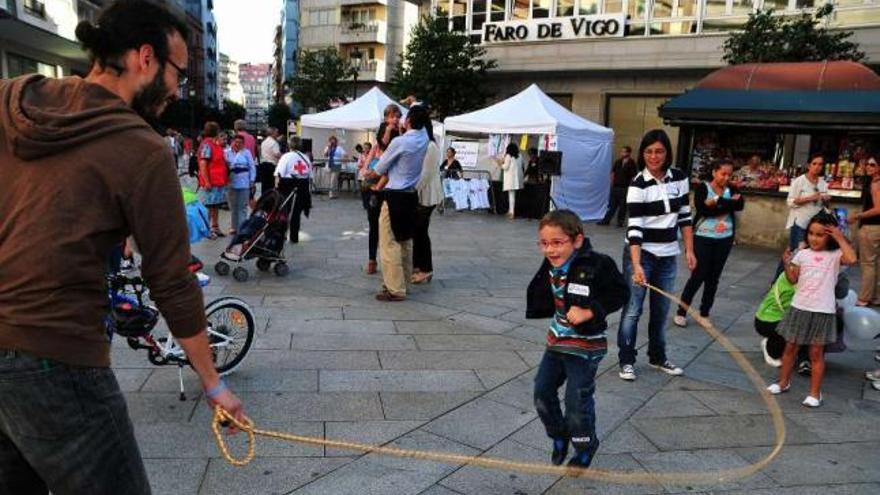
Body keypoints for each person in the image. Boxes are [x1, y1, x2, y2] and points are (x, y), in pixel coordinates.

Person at [0, 2, 245, 493]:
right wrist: (213, 383)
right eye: (179, 72)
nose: (178, 89)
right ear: (145, 58)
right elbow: (172, 278)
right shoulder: (141, 147)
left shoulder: (11, 100)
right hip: (54, 351)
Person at [526, 210, 629, 468]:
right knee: (542, 393)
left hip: (586, 345)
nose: (550, 250)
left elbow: (620, 293)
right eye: (544, 243)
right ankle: (558, 434)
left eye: (557, 242)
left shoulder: (598, 264)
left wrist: (590, 310)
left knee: (576, 400)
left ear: (578, 241)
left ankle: (584, 445)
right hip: (557, 341)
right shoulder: (553, 262)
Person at [617, 129, 696, 382]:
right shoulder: (637, 184)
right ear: (643, 154)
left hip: (667, 255)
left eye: (659, 151)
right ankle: (626, 360)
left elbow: (684, 216)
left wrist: (690, 250)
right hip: (640, 254)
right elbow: (635, 228)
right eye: (649, 151)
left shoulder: (679, 178)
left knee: (661, 310)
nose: (654, 156)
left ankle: (657, 356)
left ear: (667, 153)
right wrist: (637, 265)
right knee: (632, 310)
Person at [768, 212, 857, 407]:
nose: (814, 238)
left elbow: (852, 259)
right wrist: (786, 263)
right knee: (790, 347)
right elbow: (793, 279)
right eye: (811, 233)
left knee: (816, 354)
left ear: (830, 236)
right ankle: (783, 382)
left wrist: (839, 236)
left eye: (820, 234)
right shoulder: (803, 254)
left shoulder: (835, 255)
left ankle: (815, 394)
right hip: (799, 307)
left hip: (822, 311)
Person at [364, 105, 430, 302]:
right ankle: (404, 283)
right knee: (405, 241)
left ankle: (394, 288)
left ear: (408, 121)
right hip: (411, 195)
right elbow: (421, 119)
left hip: (394, 195)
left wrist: (369, 177)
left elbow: (381, 168)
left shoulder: (400, 142)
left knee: (389, 242)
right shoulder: (424, 139)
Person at [673, 159, 744, 327]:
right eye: (723, 174)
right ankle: (681, 311)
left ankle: (704, 313)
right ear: (714, 172)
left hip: (724, 239)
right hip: (703, 237)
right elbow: (703, 209)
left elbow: (739, 205)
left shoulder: (732, 188)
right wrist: (727, 203)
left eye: (729, 174)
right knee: (698, 274)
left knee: (714, 277)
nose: (726, 178)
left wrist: (717, 202)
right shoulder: (702, 188)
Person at [361, 105, 402, 275]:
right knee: (373, 225)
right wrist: (389, 128)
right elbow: (382, 143)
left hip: (388, 186)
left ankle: (389, 262)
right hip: (374, 187)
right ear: (386, 118)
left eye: (397, 116)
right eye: (393, 116)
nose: (396, 119)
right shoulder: (380, 141)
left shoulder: (400, 137)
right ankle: (372, 260)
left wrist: (398, 129)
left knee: (389, 227)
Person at [778, 154, 830, 276]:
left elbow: (823, 204)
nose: (817, 167)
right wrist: (809, 198)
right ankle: (781, 279)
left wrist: (826, 199)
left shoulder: (823, 183)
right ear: (809, 165)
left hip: (814, 224)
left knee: (798, 251)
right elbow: (790, 201)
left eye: (820, 164)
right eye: (814, 164)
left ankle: (788, 278)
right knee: (796, 252)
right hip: (800, 221)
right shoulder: (799, 181)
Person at [413, 128, 443, 284]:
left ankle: (425, 268)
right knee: (418, 231)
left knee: (421, 232)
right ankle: (419, 266)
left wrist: (412, 188)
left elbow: (426, 173)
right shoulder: (426, 145)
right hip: (422, 194)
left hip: (428, 195)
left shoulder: (431, 146)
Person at [849, 157, 880, 306]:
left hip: (871, 228)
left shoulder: (875, 183)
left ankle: (864, 298)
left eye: (873, 164)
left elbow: (878, 209)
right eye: (867, 164)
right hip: (877, 228)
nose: (868, 167)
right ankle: (875, 296)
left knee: (868, 264)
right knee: (876, 263)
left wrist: (857, 216)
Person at [274, 137, 313, 243]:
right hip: (303, 187)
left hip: (288, 186)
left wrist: (276, 188)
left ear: (289, 145)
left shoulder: (286, 156)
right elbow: (310, 175)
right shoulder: (305, 157)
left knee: (284, 211)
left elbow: (279, 173)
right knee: (296, 213)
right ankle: (294, 237)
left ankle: (281, 235)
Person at [197, 121, 229, 239]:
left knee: (215, 205)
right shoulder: (207, 145)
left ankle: (215, 227)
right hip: (212, 182)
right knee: (209, 207)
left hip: (217, 181)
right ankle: (206, 230)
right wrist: (206, 181)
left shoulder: (213, 144)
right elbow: (203, 163)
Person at [599, 146, 638, 227]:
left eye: (624, 152)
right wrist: (612, 184)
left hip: (624, 187)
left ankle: (620, 222)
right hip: (615, 187)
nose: (622, 153)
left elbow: (633, 176)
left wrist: (631, 187)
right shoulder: (618, 162)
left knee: (622, 206)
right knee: (612, 205)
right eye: (622, 151)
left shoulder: (632, 163)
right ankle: (606, 220)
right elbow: (613, 173)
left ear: (628, 153)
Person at [225, 134, 257, 235]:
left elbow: (252, 167)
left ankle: (242, 227)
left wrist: (252, 180)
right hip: (231, 182)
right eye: (236, 142)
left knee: (242, 206)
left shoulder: (246, 153)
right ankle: (234, 227)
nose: (238, 144)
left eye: (240, 143)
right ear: (232, 142)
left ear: (243, 144)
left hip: (244, 182)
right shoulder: (226, 152)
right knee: (233, 206)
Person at [496, 142, 524, 219]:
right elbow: (522, 165)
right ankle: (510, 211)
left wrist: (499, 164)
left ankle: (511, 212)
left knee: (511, 195)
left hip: (511, 179)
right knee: (513, 195)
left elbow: (505, 167)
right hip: (518, 178)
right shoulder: (520, 156)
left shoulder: (508, 156)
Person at [259, 126, 283, 195]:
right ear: (273, 133)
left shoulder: (264, 142)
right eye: (276, 132)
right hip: (271, 166)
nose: (277, 134)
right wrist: (284, 156)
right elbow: (277, 154)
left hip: (263, 165)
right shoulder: (274, 143)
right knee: (271, 185)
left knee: (264, 185)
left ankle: (264, 199)